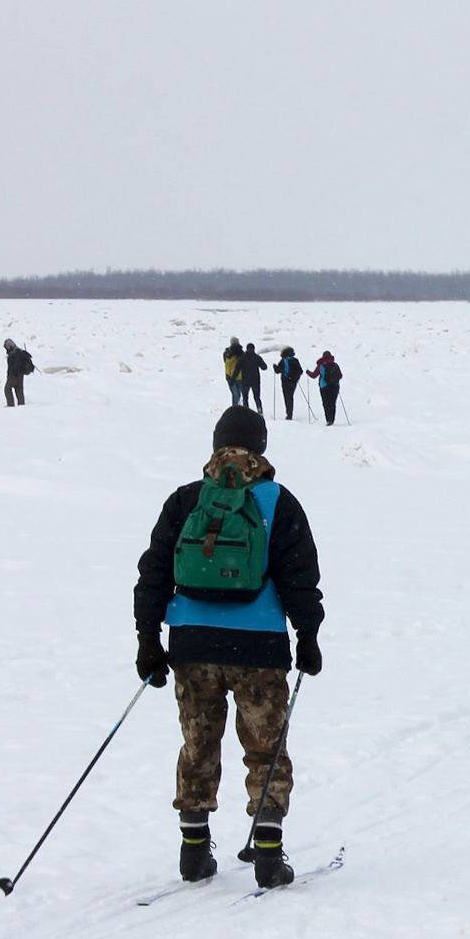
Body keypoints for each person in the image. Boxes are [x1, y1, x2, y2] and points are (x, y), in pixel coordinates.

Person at [133, 405, 325, 888]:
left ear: (216, 443)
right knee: (266, 748)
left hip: (192, 643)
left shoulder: (187, 500)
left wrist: (148, 639)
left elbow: (154, 572)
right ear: (261, 446)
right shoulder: (278, 501)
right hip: (260, 648)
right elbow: (299, 578)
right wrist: (308, 635)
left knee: (199, 743)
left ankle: (194, 853)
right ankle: (267, 853)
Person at [308, 351, 342, 426]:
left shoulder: (321, 365)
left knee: (326, 403)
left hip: (324, 387)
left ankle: (328, 420)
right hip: (335, 386)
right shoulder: (335, 365)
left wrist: (308, 372)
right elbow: (340, 376)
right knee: (332, 403)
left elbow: (314, 375)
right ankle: (332, 419)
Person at [3, 338, 35, 407]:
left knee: (7, 389)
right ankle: (21, 405)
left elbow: (15, 364)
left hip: (14, 375)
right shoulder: (18, 352)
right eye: (6, 346)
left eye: (8, 345)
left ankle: (10, 405)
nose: (7, 347)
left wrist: (14, 373)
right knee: (19, 390)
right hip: (20, 375)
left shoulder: (15, 353)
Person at [239, 343, 269, 415]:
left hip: (245, 381)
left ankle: (246, 412)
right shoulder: (257, 357)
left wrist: (233, 378)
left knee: (245, 398)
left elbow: (237, 369)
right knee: (257, 397)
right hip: (255, 381)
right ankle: (259, 410)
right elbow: (264, 367)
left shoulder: (242, 358)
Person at [276, 346, 304, 420]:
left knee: (286, 396)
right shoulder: (295, 360)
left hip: (285, 381)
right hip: (293, 382)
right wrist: (295, 377)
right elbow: (300, 371)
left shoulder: (283, 361)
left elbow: (277, 371)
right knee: (290, 396)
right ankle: (289, 413)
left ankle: (288, 413)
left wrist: (275, 367)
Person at [223, 338, 245, 407]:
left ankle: (235, 407)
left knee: (237, 395)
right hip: (236, 377)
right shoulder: (240, 353)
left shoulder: (227, 353)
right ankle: (235, 408)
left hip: (232, 376)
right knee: (237, 395)